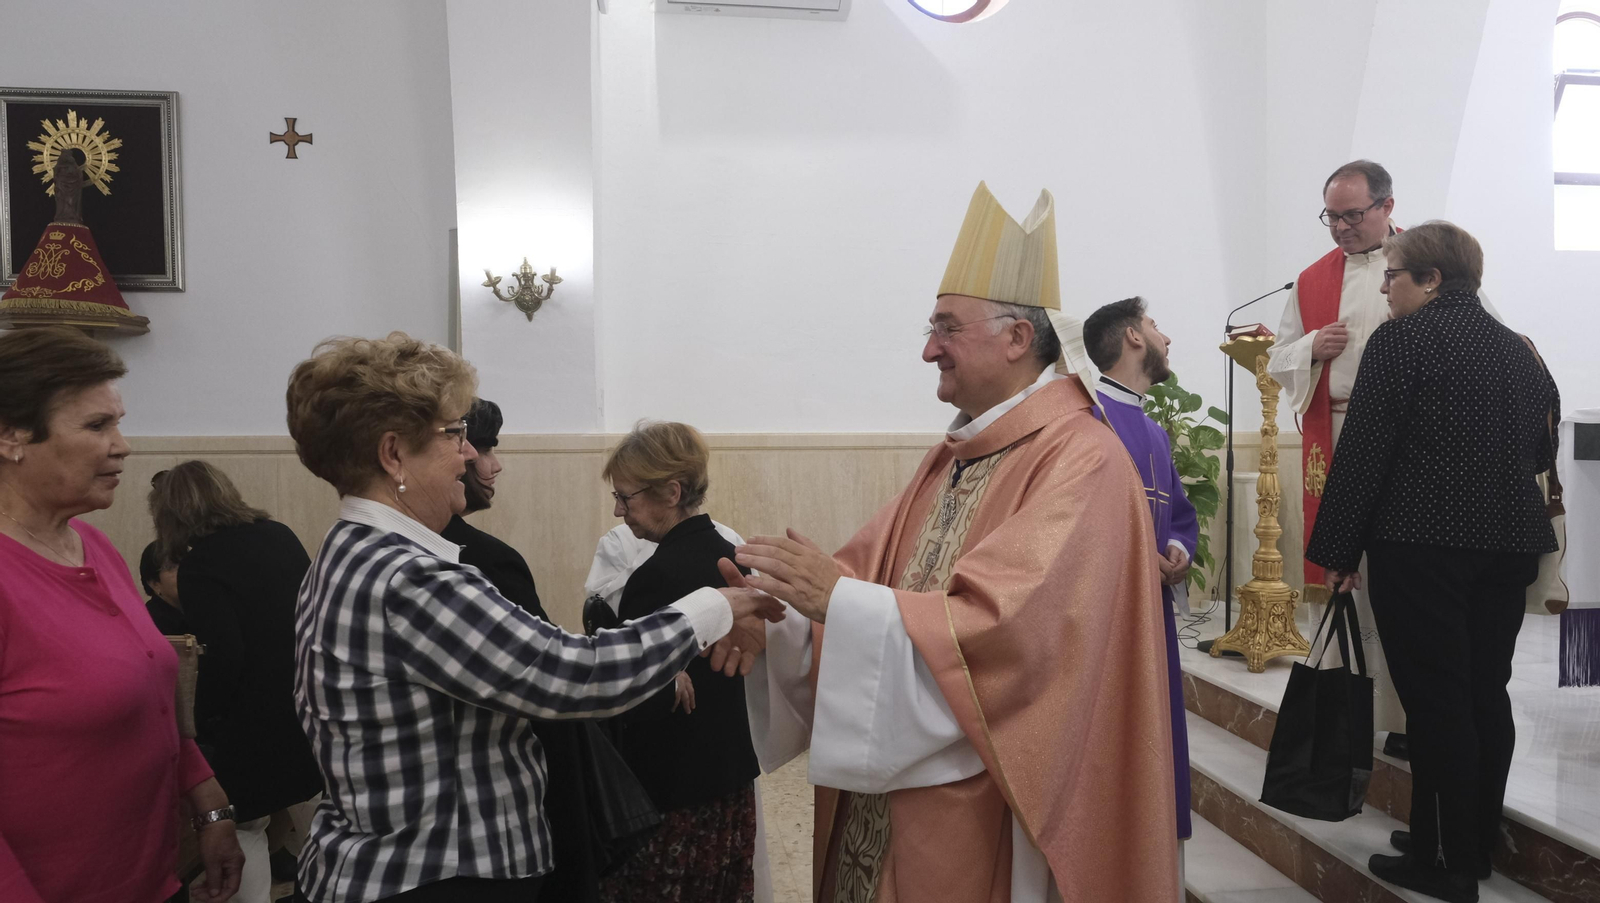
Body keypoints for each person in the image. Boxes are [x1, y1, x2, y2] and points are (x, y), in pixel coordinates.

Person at [727, 183, 1178, 902]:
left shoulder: (1081, 459)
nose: (929, 347)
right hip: (897, 795)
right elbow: (865, 579)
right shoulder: (959, 452)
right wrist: (774, 618)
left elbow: (1012, 637)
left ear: (1017, 338)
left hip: (983, 800)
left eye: (946, 327)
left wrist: (836, 599)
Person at [284, 333, 783, 903]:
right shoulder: (410, 579)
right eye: (454, 435)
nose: (469, 455)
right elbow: (573, 675)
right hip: (436, 873)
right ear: (393, 453)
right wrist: (715, 604)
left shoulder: (349, 549)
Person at [1306, 221, 1557, 903]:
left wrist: (1337, 549)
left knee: (1435, 702)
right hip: (1507, 545)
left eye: (1393, 276)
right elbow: (1540, 449)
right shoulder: (1520, 350)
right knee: (1481, 694)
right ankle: (1463, 844)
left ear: (1431, 280)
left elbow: (1366, 451)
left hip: (1422, 544)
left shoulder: (1402, 341)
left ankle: (1442, 861)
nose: (1384, 289)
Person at [0, 326, 244, 903]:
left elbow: (151, 700)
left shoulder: (92, 544)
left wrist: (208, 804)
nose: (123, 445)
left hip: (151, 881)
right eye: (96, 426)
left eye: (117, 422)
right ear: (11, 435)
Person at [1265, 159, 1414, 751]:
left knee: (1401, 582)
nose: (1341, 227)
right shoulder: (1311, 279)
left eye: (1353, 214)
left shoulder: (1429, 264)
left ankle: (1408, 718)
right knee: (1348, 574)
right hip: (1342, 426)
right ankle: (1356, 708)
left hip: (1409, 440)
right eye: (1332, 215)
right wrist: (1310, 347)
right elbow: (1277, 358)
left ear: (1387, 207)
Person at [438, 398, 607, 903]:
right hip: (494, 825)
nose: (491, 463)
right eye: (481, 447)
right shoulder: (481, 561)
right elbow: (554, 686)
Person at [598, 421, 762, 903]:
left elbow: (635, 698)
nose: (618, 510)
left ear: (671, 491)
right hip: (729, 779)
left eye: (626, 498)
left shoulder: (654, 576)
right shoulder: (730, 554)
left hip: (672, 793)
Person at [149, 460, 325, 903]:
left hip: (255, 722)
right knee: (321, 831)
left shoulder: (200, 565)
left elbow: (225, 657)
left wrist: (197, 720)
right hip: (311, 703)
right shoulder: (279, 534)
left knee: (243, 826)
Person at [1082, 296, 1198, 888]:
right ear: (1132, 336)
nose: (1165, 337)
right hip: (1100, 622)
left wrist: (1178, 550)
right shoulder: (1084, 417)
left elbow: (1176, 514)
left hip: (1152, 618)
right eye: (1156, 325)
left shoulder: (1152, 429)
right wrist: (1133, 559)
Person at [140, 539, 189, 636]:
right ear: (154, 584)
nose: (185, 571)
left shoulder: (198, 612)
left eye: (186, 563)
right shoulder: (152, 624)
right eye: (172, 567)